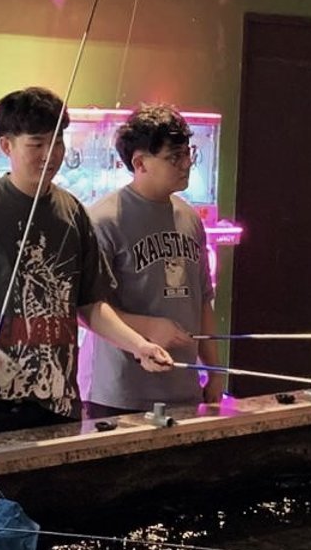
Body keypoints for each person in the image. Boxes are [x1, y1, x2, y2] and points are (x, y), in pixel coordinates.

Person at [0, 86, 174, 430]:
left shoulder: (72, 212)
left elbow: (90, 306)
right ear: (6, 145)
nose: (51, 154)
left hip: (59, 400)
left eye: (58, 142)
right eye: (36, 144)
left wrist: (139, 346)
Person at [85, 104, 221, 420]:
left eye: (189, 153)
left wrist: (213, 370)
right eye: (174, 157)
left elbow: (203, 302)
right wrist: (149, 327)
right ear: (140, 162)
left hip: (184, 389)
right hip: (123, 394)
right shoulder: (104, 220)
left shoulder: (189, 217)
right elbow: (89, 309)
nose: (187, 164)